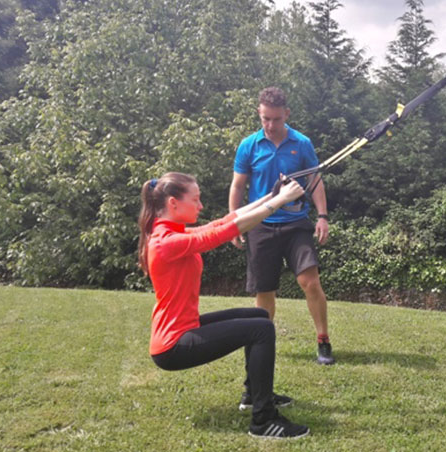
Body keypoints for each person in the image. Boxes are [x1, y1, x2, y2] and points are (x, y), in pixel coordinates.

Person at [138, 171, 309, 439]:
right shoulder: (165, 242)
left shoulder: (171, 232)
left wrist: (272, 195)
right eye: (195, 199)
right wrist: (279, 202)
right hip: (172, 346)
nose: (201, 205)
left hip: (185, 328)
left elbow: (224, 222)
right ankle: (263, 421)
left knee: (259, 316)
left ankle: (254, 395)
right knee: (261, 330)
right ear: (173, 203)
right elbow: (225, 232)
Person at [229, 86, 335, 365]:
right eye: (265, 118)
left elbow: (315, 181)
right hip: (260, 224)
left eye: (276, 119)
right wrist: (233, 222)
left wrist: (322, 216)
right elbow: (238, 186)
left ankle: (323, 340)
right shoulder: (249, 145)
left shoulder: (302, 143)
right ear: (259, 113)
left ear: (286, 114)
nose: (270, 125)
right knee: (264, 290)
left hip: (296, 223)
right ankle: (264, 345)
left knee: (309, 281)